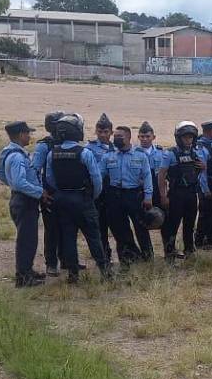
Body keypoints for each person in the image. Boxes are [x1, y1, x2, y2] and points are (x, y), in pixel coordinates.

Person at [44, 114, 111, 282]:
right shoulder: (85, 153)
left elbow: (50, 179)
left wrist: (60, 193)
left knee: (68, 237)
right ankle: (104, 271)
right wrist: (91, 198)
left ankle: (73, 275)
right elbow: (96, 180)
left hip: (62, 199)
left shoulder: (52, 154)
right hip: (82, 199)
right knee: (93, 236)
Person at [0, 121, 45, 287]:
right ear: (21, 135)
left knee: (28, 239)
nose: (29, 136)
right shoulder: (17, 156)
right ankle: (23, 277)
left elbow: (0, 173)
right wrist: (39, 192)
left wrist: (12, 184)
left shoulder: (10, 152)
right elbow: (19, 183)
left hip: (19, 199)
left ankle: (27, 271)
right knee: (27, 240)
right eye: (27, 133)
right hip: (25, 201)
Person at [157, 121, 210, 260]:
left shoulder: (195, 153)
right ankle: (169, 253)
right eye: (185, 137)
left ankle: (189, 250)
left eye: (191, 137)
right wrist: (163, 196)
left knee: (190, 223)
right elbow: (162, 175)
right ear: (179, 138)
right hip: (176, 194)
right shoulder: (170, 154)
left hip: (191, 194)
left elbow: (200, 170)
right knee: (173, 224)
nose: (188, 140)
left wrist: (203, 167)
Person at [102, 125, 154, 265]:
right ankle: (127, 259)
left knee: (141, 227)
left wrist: (148, 197)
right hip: (115, 196)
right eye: (116, 136)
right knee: (120, 230)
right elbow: (100, 175)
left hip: (134, 195)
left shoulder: (140, 155)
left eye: (120, 136)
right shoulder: (108, 155)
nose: (117, 139)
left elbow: (147, 176)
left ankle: (148, 257)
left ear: (129, 137)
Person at [33, 111, 66, 276]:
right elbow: (35, 170)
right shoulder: (44, 145)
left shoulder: (68, 142)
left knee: (67, 228)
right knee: (52, 229)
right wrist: (42, 191)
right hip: (50, 193)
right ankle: (51, 263)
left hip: (66, 192)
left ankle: (66, 259)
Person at [87, 113, 115, 260]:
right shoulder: (89, 148)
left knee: (117, 224)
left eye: (106, 132)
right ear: (96, 131)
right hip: (98, 191)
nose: (103, 135)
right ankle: (105, 255)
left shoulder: (116, 147)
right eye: (100, 132)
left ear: (111, 132)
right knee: (101, 225)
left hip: (115, 191)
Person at [134, 122, 163, 260]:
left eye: (147, 136)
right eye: (142, 136)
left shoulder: (161, 153)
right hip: (140, 192)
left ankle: (169, 251)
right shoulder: (134, 153)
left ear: (153, 137)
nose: (144, 139)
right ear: (138, 137)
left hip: (158, 189)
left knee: (164, 220)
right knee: (141, 224)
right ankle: (147, 254)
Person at [195, 120, 212, 247]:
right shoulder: (201, 147)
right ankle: (200, 240)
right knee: (205, 213)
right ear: (208, 131)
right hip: (207, 184)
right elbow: (202, 171)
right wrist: (205, 189)